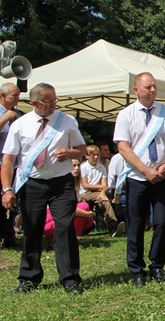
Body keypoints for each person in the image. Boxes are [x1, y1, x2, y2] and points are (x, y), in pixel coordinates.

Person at [1, 83, 86, 294]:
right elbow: (9, 160)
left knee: (65, 227)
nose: (53, 105)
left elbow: (81, 149)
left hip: (61, 183)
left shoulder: (66, 121)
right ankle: (28, 278)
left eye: (55, 100)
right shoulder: (20, 124)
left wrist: (68, 153)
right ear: (35, 103)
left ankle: (70, 279)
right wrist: (6, 189)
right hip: (32, 183)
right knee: (32, 229)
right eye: (49, 102)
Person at [113, 72, 165, 286]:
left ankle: (157, 265)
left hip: (163, 177)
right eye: (148, 87)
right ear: (136, 90)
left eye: (154, 87)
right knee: (136, 224)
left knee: (161, 222)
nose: (152, 90)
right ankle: (136, 269)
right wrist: (145, 170)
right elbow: (123, 147)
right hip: (137, 178)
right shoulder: (126, 115)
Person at [44, 160, 95, 239]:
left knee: (86, 216)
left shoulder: (76, 185)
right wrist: (87, 214)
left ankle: (70, 236)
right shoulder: (61, 185)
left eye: (78, 165)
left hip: (57, 221)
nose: (77, 168)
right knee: (84, 207)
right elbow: (66, 209)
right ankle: (73, 237)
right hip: (48, 223)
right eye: (73, 166)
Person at [79, 145, 121, 236]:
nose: (96, 157)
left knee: (105, 200)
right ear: (87, 156)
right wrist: (101, 188)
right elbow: (85, 185)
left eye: (97, 155)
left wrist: (102, 192)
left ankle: (114, 225)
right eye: (93, 155)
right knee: (104, 200)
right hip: (85, 193)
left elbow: (105, 185)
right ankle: (113, 225)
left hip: (98, 192)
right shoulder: (83, 167)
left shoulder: (101, 167)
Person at [0, 82, 23, 247]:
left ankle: (9, 234)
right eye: (14, 96)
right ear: (3, 96)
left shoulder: (19, 115)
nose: (17, 99)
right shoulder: (5, 115)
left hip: (15, 166)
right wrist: (5, 119)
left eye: (18, 96)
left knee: (13, 201)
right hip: (0, 163)